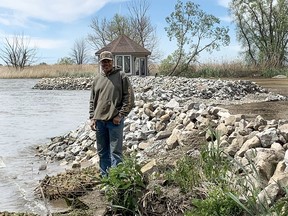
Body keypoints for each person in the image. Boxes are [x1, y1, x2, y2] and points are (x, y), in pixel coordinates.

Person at [89, 50, 135, 177]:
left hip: (114, 121)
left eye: (108, 61)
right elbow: (93, 100)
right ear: (100, 63)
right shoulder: (97, 79)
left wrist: (120, 115)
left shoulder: (121, 76)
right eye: (103, 62)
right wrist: (92, 118)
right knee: (102, 152)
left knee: (116, 152)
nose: (106, 64)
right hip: (99, 122)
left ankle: (117, 179)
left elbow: (129, 98)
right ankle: (105, 178)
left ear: (112, 62)